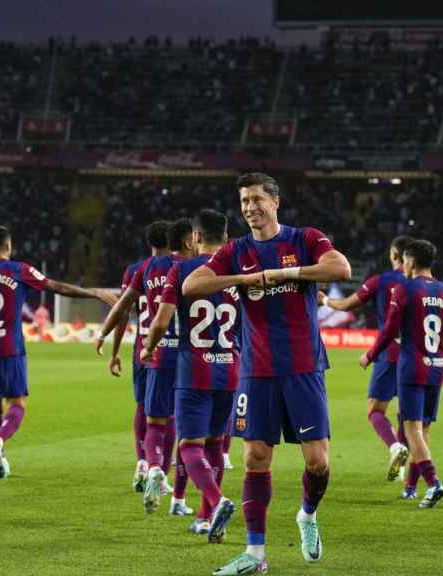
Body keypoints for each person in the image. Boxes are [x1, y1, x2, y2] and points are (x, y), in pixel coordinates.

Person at [182, 172, 352, 575]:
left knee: (317, 462)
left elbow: (340, 268)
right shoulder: (235, 251)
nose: (249, 207)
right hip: (256, 370)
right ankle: (255, 556)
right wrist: (242, 280)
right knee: (256, 457)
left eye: (257, 199)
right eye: (243, 201)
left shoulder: (305, 238)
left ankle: (307, 516)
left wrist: (284, 275)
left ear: (275, 202)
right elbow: (192, 285)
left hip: (304, 366)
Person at [0, 225, 117, 480]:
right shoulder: (19, 270)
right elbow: (56, 287)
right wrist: (94, 293)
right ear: (8, 246)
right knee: (18, 403)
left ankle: (0, 455)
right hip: (10, 346)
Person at [360, 240, 443, 507]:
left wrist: (370, 355)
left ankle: (434, 482)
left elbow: (390, 331)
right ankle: (412, 488)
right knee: (423, 430)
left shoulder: (404, 289)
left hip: (411, 366)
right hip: (436, 367)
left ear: (411, 262)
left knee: (411, 428)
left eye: (404, 261)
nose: (402, 266)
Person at [141, 209, 239, 541]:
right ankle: (205, 518)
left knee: (189, 447)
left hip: (193, 369)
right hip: (230, 368)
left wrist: (148, 348)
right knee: (215, 445)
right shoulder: (238, 269)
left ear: (195, 237)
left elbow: (161, 321)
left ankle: (217, 501)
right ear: (226, 239)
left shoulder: (181, 269)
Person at [97, 219, 195, 515]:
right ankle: (174, 487)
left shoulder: (143, 269)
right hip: (190, 354)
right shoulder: (196, 268)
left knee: (151, 414)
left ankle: (149, 465)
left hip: (150, 351)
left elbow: (123, 306)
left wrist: (103, 334)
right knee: (180, 419)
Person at [320, 235, 413, 481]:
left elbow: (348, 305)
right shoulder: (425, 284)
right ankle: (404, 470)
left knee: (375, 410)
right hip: (419, 358)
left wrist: (325, 300)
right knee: (408, 415)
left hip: (389, 354)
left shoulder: (380, 281)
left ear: (394, 254)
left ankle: (395, 447)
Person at [108, 220, 170, 493]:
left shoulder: (136, 270)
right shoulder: (180, 268)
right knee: (167, 412)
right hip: (170, 347)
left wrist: (114, 351)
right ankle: (160, 471)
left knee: (143, 407)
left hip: (141, 348)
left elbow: (123, 312)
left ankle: (142, 463)